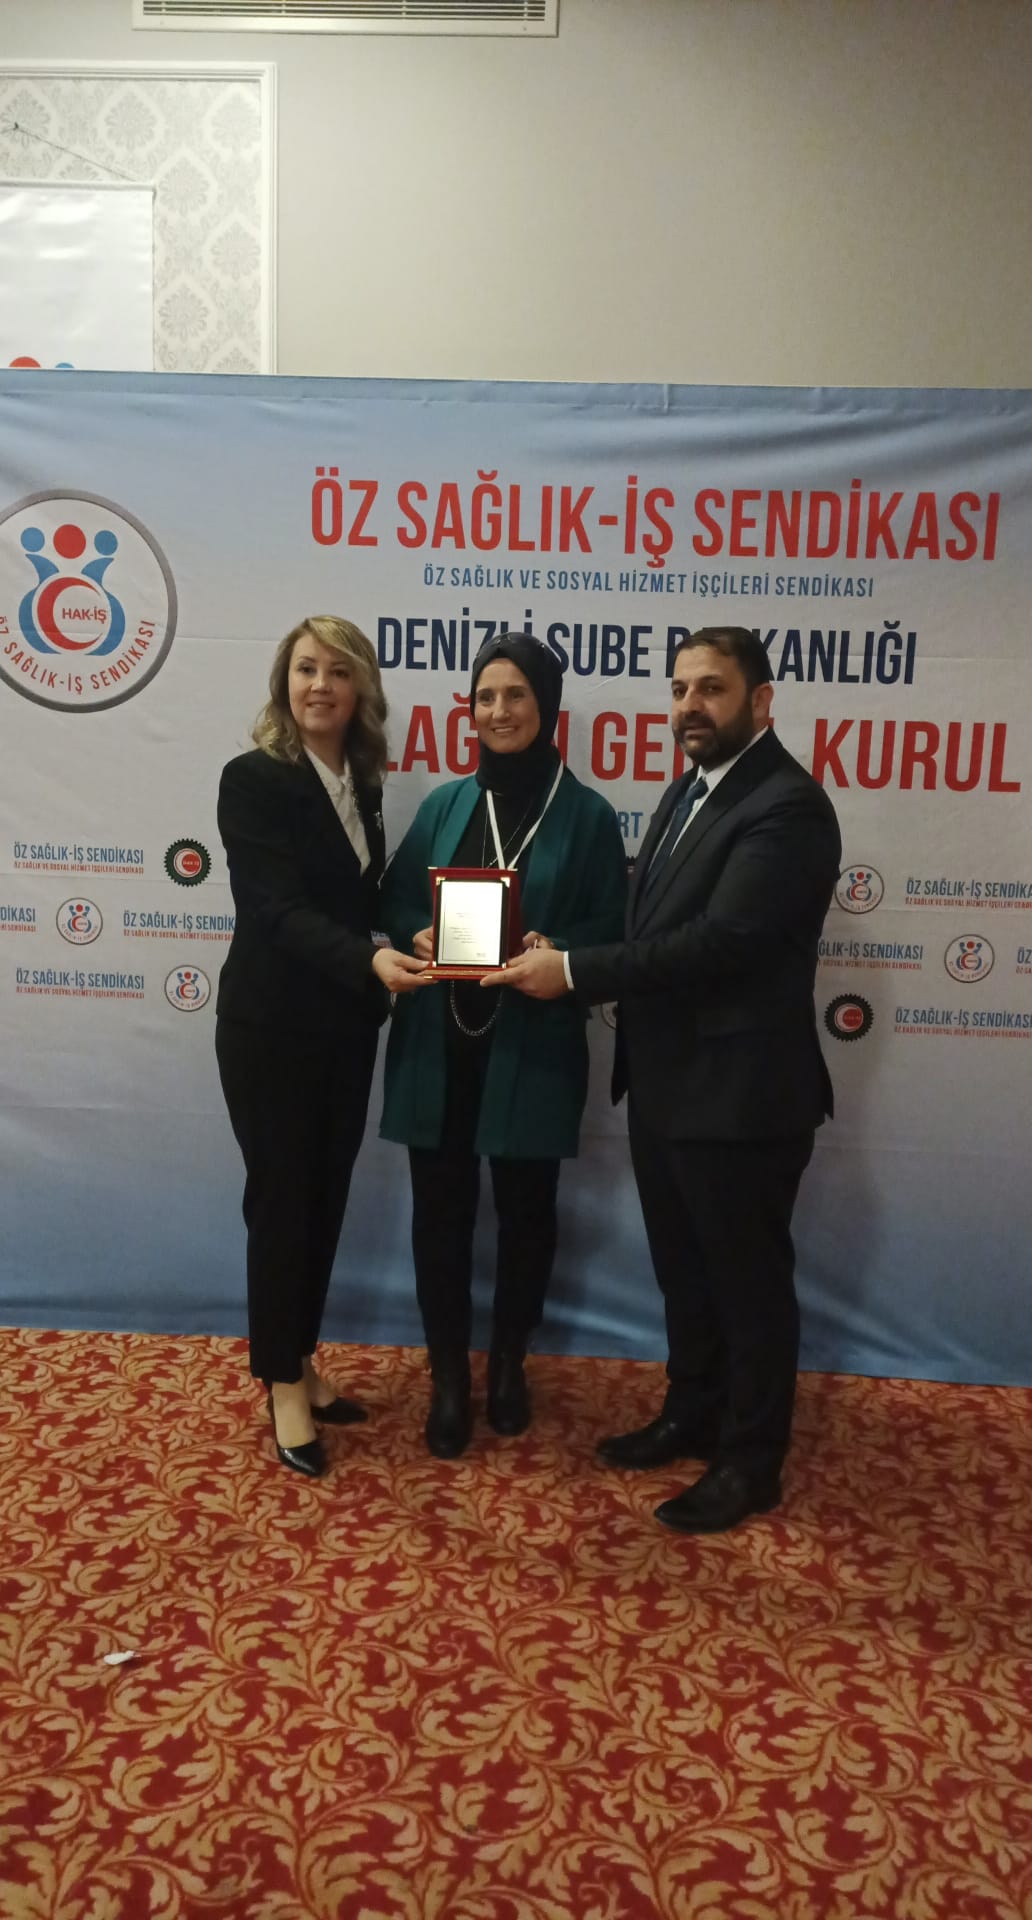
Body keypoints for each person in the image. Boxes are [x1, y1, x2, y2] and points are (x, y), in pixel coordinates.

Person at [500, 625, 841, 1533]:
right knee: (686, 1276)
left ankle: (751, 1462)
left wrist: (574, 973)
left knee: (748, 1287)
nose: (690, 706)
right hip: (666, 1087)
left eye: (712, 689)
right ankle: (693, 1411)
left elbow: (723, 944)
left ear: (761, 701)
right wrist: (569, 946)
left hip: (741, 1097)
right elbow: (653, 925)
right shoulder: (691, 787)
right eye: (681, 688)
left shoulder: (788, 806)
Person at [380, 632, 627, 1459]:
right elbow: (393, 901)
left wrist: (562, 947)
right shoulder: (445, 805)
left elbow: (615, 926)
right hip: (440, 1041)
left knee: (527, 1217)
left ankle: (511, 1365)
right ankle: (449, 1377)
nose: (498, 711)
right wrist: (412, 930)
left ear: (546, 705)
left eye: (515, 694)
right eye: (485, 696)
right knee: (439, 1217)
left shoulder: (587, 815)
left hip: (533, 1042)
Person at [215, 616, 427, 1479]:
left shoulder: (362, 781)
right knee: (282, 1203)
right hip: (271, 1029)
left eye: (338, 672)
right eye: (306, 669)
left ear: (360, 690)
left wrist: (406, 939)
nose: (320, 686)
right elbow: (277, 910)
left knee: (324, 1198)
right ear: (284, 681)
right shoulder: (253, 779)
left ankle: (300, 1357)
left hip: (344, 1024)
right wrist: (369, 958)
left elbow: (357, 900)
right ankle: (281, 1382)